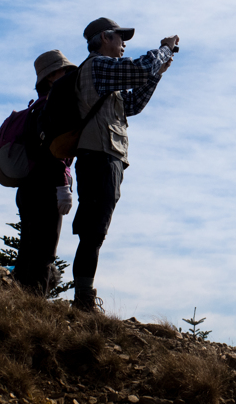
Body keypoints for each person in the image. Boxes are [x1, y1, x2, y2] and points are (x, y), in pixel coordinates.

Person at [71, 17, 177, 312]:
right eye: (120, 39)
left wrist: (158, 73)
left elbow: (133, 105)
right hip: (99, 156)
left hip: (105, 156)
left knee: (95, 230)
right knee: (93, 231)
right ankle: (83, 300)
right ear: (105, 37)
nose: (124, 45)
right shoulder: (97, 66)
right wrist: (164, 50)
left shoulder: (103, 75)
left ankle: (83, 297)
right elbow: (139, 68)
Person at [12, 49, 77, 296]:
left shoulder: (35, 107)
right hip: (46, 188)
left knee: (27, 248)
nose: (68, 74)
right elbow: (54, 148)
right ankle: (34, 309)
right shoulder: (52, 106)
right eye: (63, 70)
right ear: (51, 76)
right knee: (44, 253)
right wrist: (62, 185)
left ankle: (15, 303)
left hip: (28, 187)